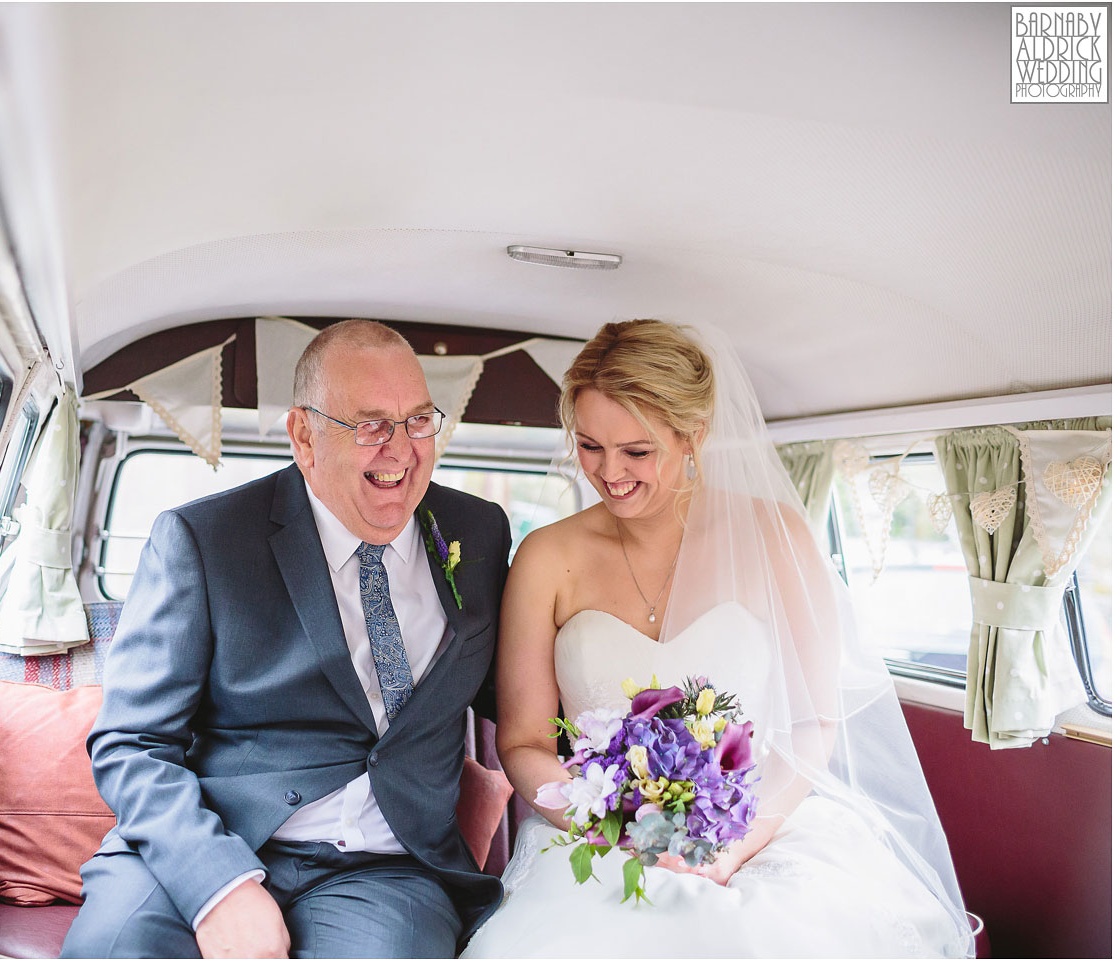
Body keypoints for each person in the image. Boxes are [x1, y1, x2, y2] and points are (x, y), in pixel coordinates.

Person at [462, 319, 974, 958]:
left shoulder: (774, 536)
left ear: (693, 435)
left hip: (764, 829)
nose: (609, 472)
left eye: (637, 451)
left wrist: (733, 845)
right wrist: (618, 826)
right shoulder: (546, 557)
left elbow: (815, 722)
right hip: (594, 831)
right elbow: (525, 740)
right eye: (590, 445)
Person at [62, 319, 509, 959]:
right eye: (371, 425)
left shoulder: (479, 532)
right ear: (304, 435)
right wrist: (219, 886)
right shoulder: (205, 540)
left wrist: (639, 762)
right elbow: (132, 742)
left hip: (386, 869)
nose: (403, 449)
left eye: (417, 421)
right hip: (213, 838)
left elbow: (521, 698)